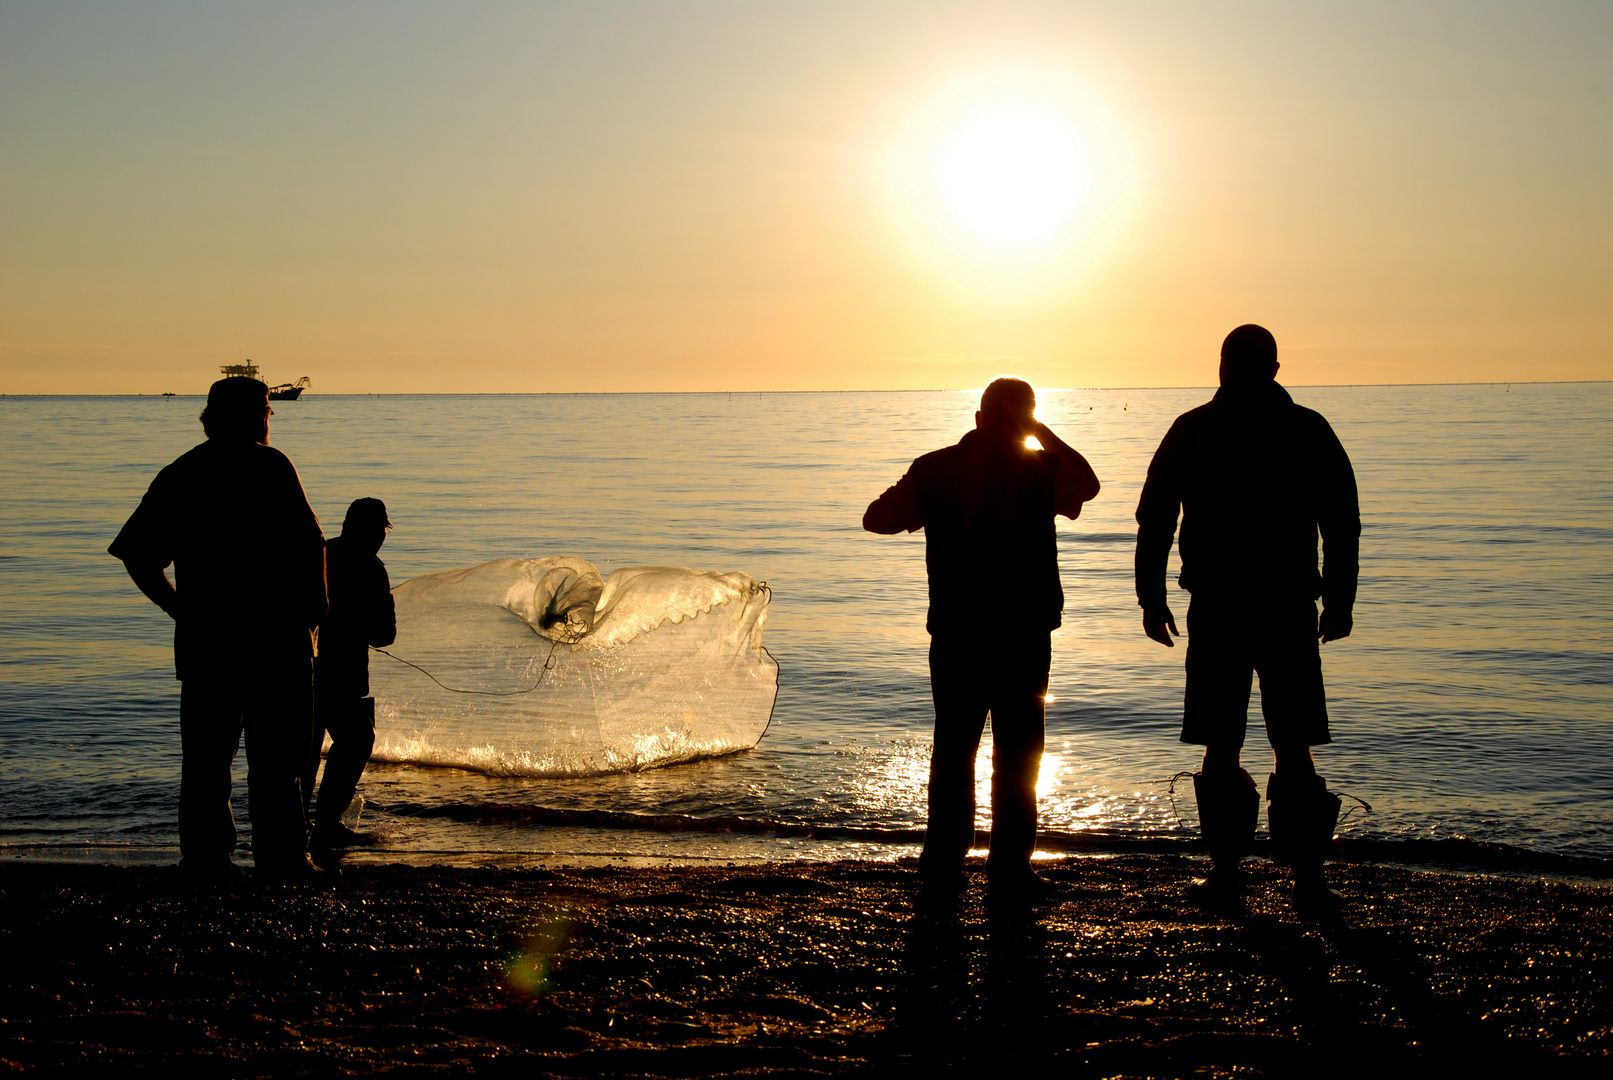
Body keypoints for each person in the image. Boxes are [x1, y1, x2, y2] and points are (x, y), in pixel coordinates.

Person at [1134, 324, 1360, 916]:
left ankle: (1227, 875)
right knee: (1294, 743)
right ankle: (1307, 879)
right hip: (1287, 606)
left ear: (1224, 367)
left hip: (1220, 607)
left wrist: (1150, 599)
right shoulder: (1307, 428)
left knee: (1221, 743)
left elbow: (1154, 519)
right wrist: (1340, 601)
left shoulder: (1195, 428)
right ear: (1276, 368)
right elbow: (1343, 522)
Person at [864, 378, 1101, 904]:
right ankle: (1010, 865)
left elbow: (875, 519)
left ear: (977, 417)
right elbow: (1088, 485)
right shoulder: (1041, 466)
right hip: (1023, 629)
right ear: (1024, 420)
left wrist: (919, 513)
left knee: (955, 747)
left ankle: (943, 859)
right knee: (1020, 752)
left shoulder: (933, 467)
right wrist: (1040, 432)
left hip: (957, 629)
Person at [109, 376, 328, 881]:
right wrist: (317, 609)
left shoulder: (182, 471)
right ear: (253, 417)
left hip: (208, 642)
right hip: (274, 640)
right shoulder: (269, 464)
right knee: (278, 761)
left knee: (208, 763)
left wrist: (180, 609)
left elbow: (139, 556)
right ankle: (283, 858)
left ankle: (209, 861)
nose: (269, 421)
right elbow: (311, 542)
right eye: (267, 412)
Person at [304, 497, 396, 849]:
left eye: (382, 531)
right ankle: (321, 823)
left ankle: (309, 823)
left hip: (317, 673)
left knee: (314, 750)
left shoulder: (321, 555)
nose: (380, 537)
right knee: (353, 742)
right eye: (378, 530)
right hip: (333, 676)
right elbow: (384, 634)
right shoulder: (372, 569)